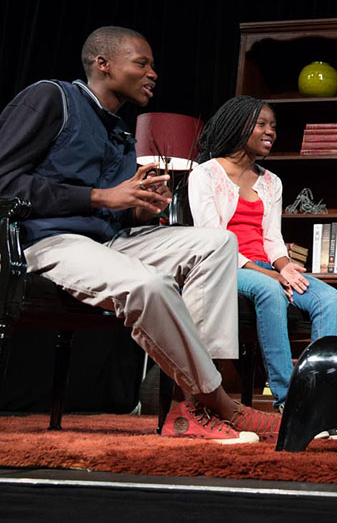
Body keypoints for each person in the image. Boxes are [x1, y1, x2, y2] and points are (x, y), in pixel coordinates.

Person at [0, 26, 281, 443]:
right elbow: (6, 183)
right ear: (103, 64)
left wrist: (141, 205)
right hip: (49, 240)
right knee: (150, 283)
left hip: (107, 240)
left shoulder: (119, 131)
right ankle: (218, 402)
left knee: (218, 242)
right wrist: (101, 196)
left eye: (153, 66)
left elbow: (115, 212)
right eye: (142, 63)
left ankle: (188, 406)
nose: (153, 74)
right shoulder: (51, 98)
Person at [188, 96, 337, 439]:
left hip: (265, 265)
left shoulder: (271, 181)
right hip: (223, 266)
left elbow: (272, 238)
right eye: (262, 125)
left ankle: (321, 401)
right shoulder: (205, 174)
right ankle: (287, 400)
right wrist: (268, 274)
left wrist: (286, 267)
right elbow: (212, 238)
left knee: (327, 298)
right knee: (270, 292)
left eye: (273, 127)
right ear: (238, 127)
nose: (270, 132)